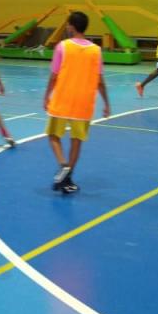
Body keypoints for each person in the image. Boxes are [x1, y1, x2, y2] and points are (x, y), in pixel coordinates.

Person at [43, 11, 111, 194]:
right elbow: (100, 81)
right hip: (84, 102)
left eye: (67, 24)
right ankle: (68, 177)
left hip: (62, 99)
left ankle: (63, 166)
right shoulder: (96, 50)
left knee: (53, 136)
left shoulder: (62, 47)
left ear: (71, 26)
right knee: (77, 141)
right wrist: (106, 103)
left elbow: (54, 76)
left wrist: (47, 95)